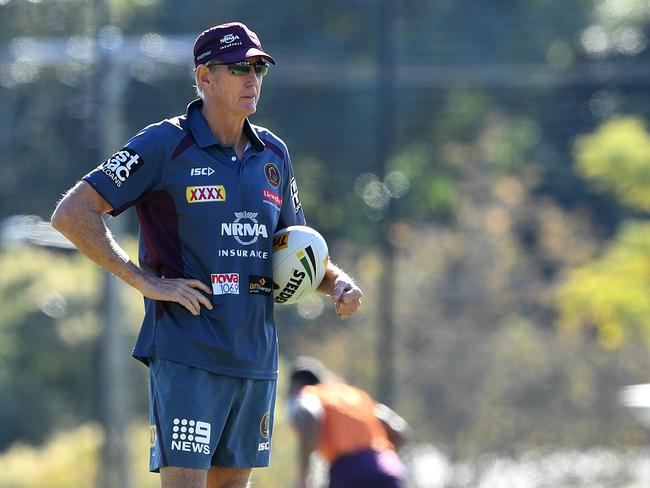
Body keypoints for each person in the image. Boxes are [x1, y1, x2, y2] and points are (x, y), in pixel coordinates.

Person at [50, 21, 362, 488]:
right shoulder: (164, 143)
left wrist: (336, 282)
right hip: (187, 352)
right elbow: (72, 214)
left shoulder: (274, 153)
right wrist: (146, 282)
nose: (252, 78)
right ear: (205, 78)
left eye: (258, 68)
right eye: (239, 68)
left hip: (255, 356)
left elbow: (296, 249)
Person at [287, 356, 411, 488]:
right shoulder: (352, 395)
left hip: (351, 474)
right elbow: (399, 431)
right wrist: (379, 463)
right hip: (389, 470)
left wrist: (303, 478)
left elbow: (309, 414)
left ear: (295, 385)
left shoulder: (309, 395)